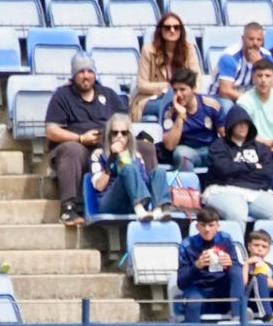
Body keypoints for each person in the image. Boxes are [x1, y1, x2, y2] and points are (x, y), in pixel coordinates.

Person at [46, 53, 156, 228]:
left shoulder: (109, 95)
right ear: (74, 75)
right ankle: (68, 209)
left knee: (147, 148)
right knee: (72, 150)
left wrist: (118, 140)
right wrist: (80, 138)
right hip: (79, 146)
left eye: (90, 71)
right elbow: (51, 131)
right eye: (81, 72)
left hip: (109, 143)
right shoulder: (62, 96)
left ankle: (152, 201)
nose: (86, 75)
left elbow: (125, 123)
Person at [176, 206, 242, 326]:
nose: (207, 229)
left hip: (221, 287)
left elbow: (238, 269)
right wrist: (197, 266)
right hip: (198, 288)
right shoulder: (187, 245)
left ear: (217, 225)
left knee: (235, 270)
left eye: (211, 225)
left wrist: (230, 263)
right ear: (197, 226)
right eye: (203, 225)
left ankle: (237, 318)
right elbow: (181, 282)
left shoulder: (225, 240)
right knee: (193, 300)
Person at [203, 107, 273, 222]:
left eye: (246, 123)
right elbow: (223, 169)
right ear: (231, 125)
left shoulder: (261, 148)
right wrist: (252, 166)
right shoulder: (219, 146)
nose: (243, 126)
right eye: (239, 123)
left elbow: (268, 173)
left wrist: (236, 173)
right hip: (223, 190)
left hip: (256, 191)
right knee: (237, 212)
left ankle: (264, 240)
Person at [90, 112, 174, 220]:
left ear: (128, 136)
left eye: (124, 133)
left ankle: (158, 210)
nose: (119, 136)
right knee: (128, 168)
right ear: (109, 135)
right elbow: (99, 186)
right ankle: (139, 211)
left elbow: (143, 183)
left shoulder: (136, 157)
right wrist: (112, 158)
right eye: (115, 133)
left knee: (159, 172)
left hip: (131, 200)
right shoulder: (98, 155)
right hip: (110, 202)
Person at [131, 12, 200, 121]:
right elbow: (141, 85)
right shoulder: (148, 50)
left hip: (183, 97)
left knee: (198, 107)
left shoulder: (189, 49)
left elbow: (196, 79)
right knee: (170, 107)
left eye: (176, 27)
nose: (172, 31)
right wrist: (168, 87)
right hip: (153, 98)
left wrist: (187, 94)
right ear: (161, 31)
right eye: (168, 28)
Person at [161, 68, 224, 171]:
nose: (178, 95)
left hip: (210, 149)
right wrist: (180, 115)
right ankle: (188, 186)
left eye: (182, 89)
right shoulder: (170, 111)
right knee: (181, 155)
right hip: (187, 150)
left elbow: (225, 135)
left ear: (193, 88)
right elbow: (170, 146)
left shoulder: (210, 105)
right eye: (175, 90)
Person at [211, 21, 269, 110]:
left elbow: (270, 86)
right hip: (220, 97)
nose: (255, 43)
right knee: (228, 107)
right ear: (243, 38)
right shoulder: (230, 57)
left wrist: (260, 66)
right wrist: (251, 100)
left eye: (259, 40)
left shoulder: (267, 56)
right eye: (251, 39)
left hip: (249, 96)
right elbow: (225, 91)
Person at [237, 60, 273, 151]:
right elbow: (244, 132)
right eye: (259, 76)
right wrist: (266, 142)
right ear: (253, 77)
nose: (263, 80)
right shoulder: (244, 100)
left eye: (267, 76)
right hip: (252, 146)